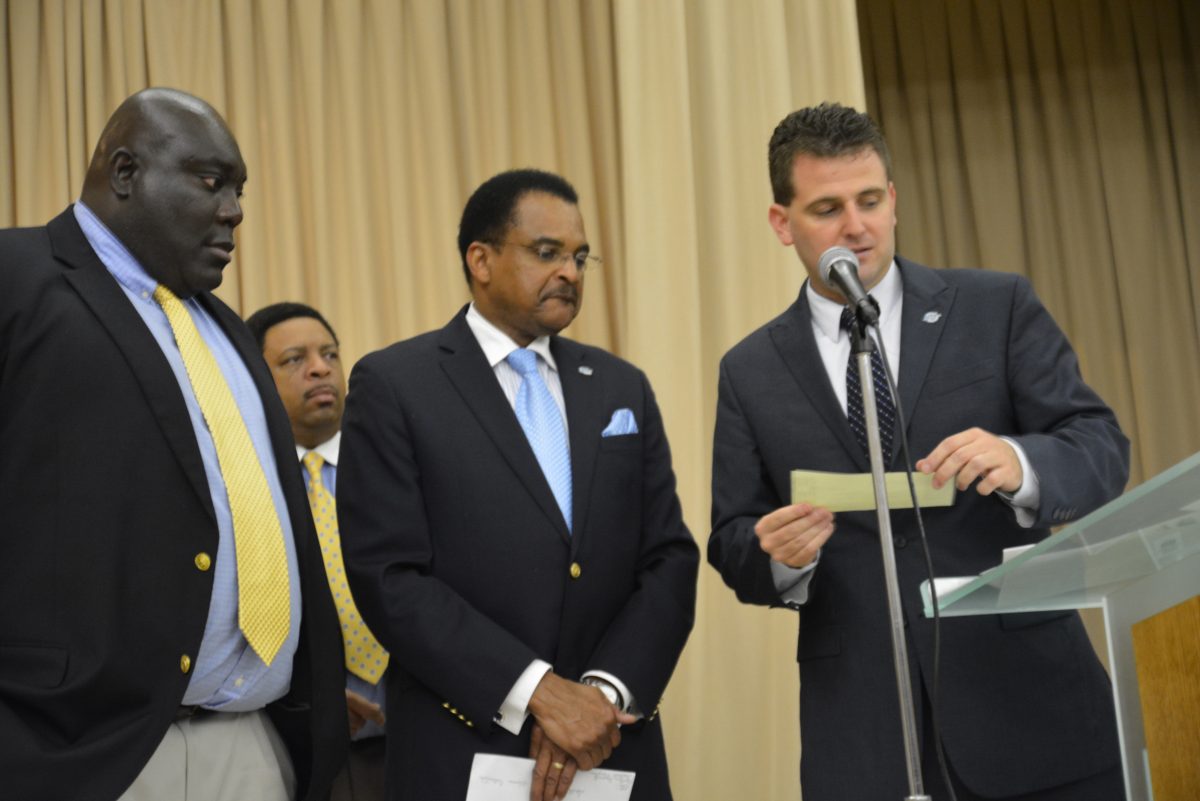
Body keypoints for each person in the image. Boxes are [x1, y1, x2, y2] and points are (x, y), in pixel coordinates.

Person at [708, 102, 1130, 800]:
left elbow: (1098, 445)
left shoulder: (995, 306)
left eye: (870, 200)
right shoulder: (750, 369)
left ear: (894, 201)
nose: (856, 226)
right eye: (827, 208)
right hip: (867, 731)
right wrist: (778, 555)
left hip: (1031, 712)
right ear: (782, 224)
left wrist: (1021, 464)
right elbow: (731, 537)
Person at [0, 88, 347, 801]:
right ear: (125, 173)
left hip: (255, 746)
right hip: (77, 753)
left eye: (240, 190)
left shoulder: (227, 333)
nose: (234, 210)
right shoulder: (17, 278)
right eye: (210, 181)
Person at [336, 168, 699, 801]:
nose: (570, 272)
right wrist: (539, 692)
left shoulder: (620, 387)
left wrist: (600, 696)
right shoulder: (396, 385)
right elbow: (389, 576)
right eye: (547, 252)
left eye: (580, 257)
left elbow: (668, 557)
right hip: (464, 746)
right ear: (481, 259)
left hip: (612, 746)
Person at [247, 302, 389, 801]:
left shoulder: (393, 468)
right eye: (294, 359)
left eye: (330, 353)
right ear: (253, 377)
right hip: (307, 747)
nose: (320, 367)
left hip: (425, 730)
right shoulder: (243, 489)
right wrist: (312, 693)